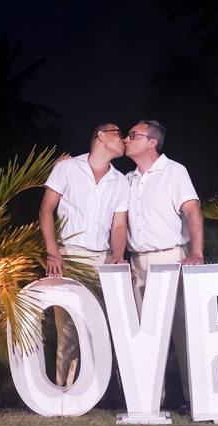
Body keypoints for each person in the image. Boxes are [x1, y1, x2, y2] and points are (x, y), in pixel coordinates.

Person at [39, 122, 130, 388]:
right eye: (119, 134)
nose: (124, 139)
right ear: (101, 136)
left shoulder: (120, 181)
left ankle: (97, 391)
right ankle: (64, 390)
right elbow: (46, 210)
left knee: (98, 328)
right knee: (67, 329)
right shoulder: (67, 167)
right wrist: (53, 252)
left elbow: (119, 224)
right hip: (68, 257)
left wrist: (118, 254)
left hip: (101, 260)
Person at [123, 120, 203, 401]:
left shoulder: (174, 171)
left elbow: (193, 212)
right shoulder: (128, 179)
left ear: (151, 142)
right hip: (138, 263)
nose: (126, 138)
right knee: (145, 335)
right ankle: (150, 402)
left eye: (133, 135)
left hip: (171, 257)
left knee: (183, 332)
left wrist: (197, 253)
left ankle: (195, 399)